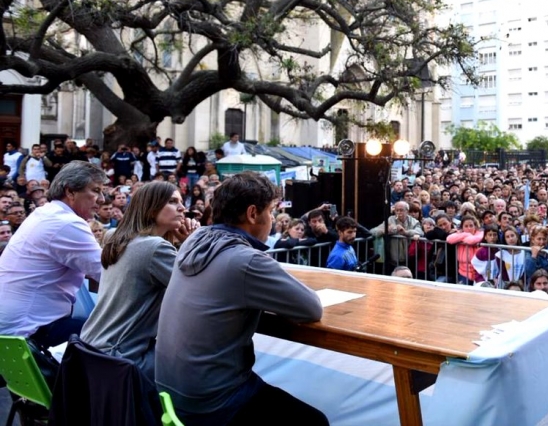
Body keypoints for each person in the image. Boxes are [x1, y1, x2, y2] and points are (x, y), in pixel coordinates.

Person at [155, 171, 326, 426]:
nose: (271, 219)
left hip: (169, 392)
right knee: (314, 421)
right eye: (270, 211)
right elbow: (312, 308)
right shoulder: (245, 260)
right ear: (252, 214)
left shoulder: (196, 241)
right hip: (214, 401)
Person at [80, 182, 197, 378]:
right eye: (172, 201)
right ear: (151, 209)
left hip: (89, 347)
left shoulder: (113, 236)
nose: (182, 208)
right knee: (197, 366)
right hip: (121, 357)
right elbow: (198, 288)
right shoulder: (155, 248)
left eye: (181, 202)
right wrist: (191, 241)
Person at [0, 161, 108, 346]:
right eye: (95, 191)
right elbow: (109, 272)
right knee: (115, 338)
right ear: (70, 191)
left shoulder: (46, 213)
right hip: (30, 331)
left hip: (13, 325)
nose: (102, 199)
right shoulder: (66, 222)